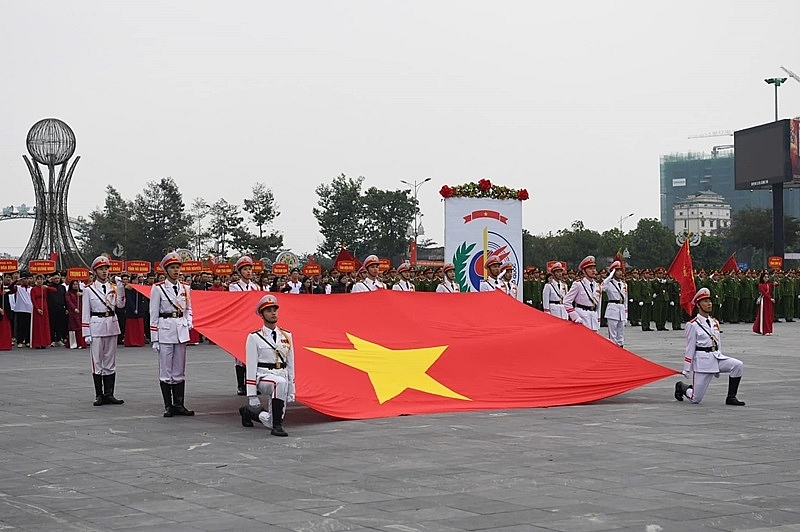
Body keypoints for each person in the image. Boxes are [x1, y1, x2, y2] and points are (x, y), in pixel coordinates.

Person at [674, 288, 746, 406]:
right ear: (698, 305)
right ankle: (681, 387)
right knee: (695, 399)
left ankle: (731, 397)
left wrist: (720, 354)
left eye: (710, 301)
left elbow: (717, 342)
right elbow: (690, 347)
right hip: (703, 363)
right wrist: (687, 368)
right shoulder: (693, 324)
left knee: (737, 365)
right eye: (705, 302)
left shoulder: (714, 322)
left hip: (716, 357)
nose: (709, 304)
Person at [238, 294, 295, 437]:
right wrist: (252, 395)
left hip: (281, 374)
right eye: (268, 310)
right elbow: (250, 366)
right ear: (262, 315)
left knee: (269, 419)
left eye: (275, 309)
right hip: (263, 376)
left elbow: (290, 364)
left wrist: (292, 389)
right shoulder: (254, 337)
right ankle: (277, 427)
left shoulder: (286, 335)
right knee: (279, 383)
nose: (273, 313)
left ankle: (249, 413)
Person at [150, 252, 195, 417]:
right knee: (166, 370)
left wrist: (189, 321)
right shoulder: (158, 288)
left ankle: (179, 404)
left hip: (181, 330)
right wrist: (154, 338)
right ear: (166, 270)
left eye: (177, 267)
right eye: (172, 268)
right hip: (165, 330)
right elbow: (153, 314)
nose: (176, 271)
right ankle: (168, 405)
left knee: (179, 369)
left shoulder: (185, 287)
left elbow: (189, 308)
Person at [82, 257, 126, 406]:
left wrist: (120, 288)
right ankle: (99, 395)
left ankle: (109, 394)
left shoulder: (113, 287)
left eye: (106, 269)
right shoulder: (89, 289)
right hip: (96, 325)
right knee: (97, 361)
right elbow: (85, 312)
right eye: (101, 269)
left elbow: (120, 305)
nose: (104, 272)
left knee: (110, 361)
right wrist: (86, 332)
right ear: (95, 271)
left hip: (111, 324)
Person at [229, 256, 260, 395]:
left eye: (249, 269)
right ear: (240, 271)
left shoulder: (256, 287)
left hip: (253, 322)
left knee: (254, 354)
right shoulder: (234, 286)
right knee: (240, 356)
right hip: (240, 323)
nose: (248, 272)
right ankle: (241, 385)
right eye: (245, 269)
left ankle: (252, 384)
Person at [563, 256, 602, 331]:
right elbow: (566, 301)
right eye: (590, 269)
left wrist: (598, 319)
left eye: (594, 268)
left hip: (593, 317)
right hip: (581, 316)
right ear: (584, 271)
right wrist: (575, 317)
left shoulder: (597, 286)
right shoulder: (578, 284)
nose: (593, 271)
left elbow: (598, 305)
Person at [601, 260, 627, 347]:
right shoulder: (609, 283)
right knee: (612, 334)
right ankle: (613, 350)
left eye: (621, 270)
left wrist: (626, 314)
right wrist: (610, 276)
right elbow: (601, 287)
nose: (620, 273)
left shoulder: (624, 284)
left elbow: (625, 300)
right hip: (612, 309)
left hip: (621, 309)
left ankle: (621, 348)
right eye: (617, 271)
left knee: (621, 333)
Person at [30, 275, 56, 349]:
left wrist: (47, 287)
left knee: (44, 325)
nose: (39, 281)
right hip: (37, 308)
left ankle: (44, 342)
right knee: (38, 326)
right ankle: (37, 343)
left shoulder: (44, 288)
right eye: (38, 279)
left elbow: (54, 290)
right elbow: (33, 299)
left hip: (44, 307)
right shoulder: (33, 289)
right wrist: (37, 308)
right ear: (36, 280)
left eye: (41, 279)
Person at [123, 275, 147, 347]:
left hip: (140, 310)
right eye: (134, 280)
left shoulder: (140, 288)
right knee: (131, 328)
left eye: (137, 280)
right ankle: (130, 341)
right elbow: (129, 300)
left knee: (139, 327)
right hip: (131, 311)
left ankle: (139, 341)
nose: (135, 281)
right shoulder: (128, 289)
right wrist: (134, 309)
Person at [65, 279, 87, 349]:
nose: (75, 286)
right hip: (73, 312)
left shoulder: (80, 292)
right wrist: (74, 308)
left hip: (81, 311)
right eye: (74, 284)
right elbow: (69, 302)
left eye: (76, 284)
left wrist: (82, 295)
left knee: (81, 327)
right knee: (74, 327)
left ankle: (82, 343)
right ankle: (74, 343)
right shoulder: (68, 293)